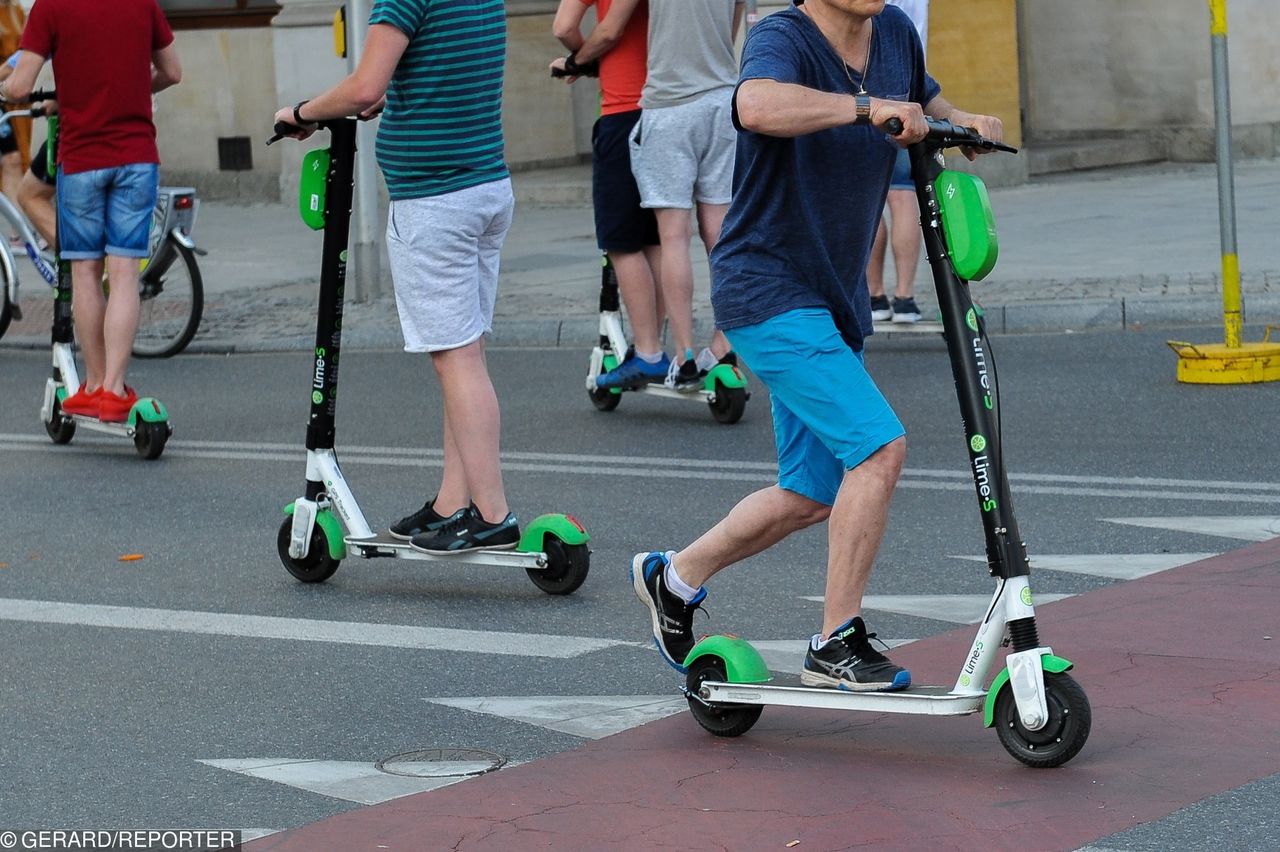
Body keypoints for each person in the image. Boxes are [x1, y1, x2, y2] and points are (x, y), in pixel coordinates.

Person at [631, 0, 1003, 690]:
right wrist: (865, 109)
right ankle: (835, 643)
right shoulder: (783, 36)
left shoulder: (893, 32)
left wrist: (965, 123)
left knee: (809, 492)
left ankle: (673, 578)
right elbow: (756, 105)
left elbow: (922, 100)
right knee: (877, 447)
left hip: (834, 299)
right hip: (767, 289)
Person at [273, 0, 522, 554]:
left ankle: (493, 512)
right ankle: (452, 501)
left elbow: (363, 88)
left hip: (436, 199)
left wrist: (303, 111)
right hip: (484, 185)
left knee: (456, 358)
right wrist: (399, 88)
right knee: (464, 352)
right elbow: (448, 66)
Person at [2, 0, 181, 423]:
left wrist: (8, 91)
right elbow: (172, 72)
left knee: (85, 271)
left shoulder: (51, 7)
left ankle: (95, 385)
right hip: (138, 157)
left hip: (81, 161)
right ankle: (116, 389)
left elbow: (21, 85)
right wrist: (135, 90)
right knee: (123, 275)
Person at [550, 0, 669, 389]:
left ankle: (649, 352)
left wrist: (578, 61)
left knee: (621, 242)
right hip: (669, 109)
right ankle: (660, 345)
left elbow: (566, 27)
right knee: (656, 239)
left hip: (624, 112)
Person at [628, 0, 743, 392]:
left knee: (674, 236)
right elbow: (732, 23)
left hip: (669, 103)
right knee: (720, 233)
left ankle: (684, 355)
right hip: (721, 99)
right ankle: (725, 342)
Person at [867, 0, 929, 324]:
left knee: (870, 200)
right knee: (904, 196)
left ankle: (874, 295)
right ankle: (905, 298)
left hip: (872, 93)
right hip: (910, 94)